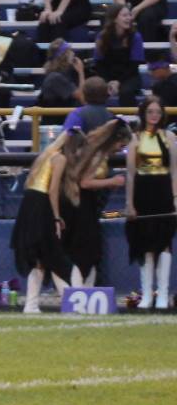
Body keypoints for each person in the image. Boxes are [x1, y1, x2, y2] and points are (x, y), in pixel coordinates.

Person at [11, 129, 81, 313]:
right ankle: (75, 301)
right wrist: (56, 218)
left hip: (29, 204)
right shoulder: (60, 159)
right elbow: (52, 191)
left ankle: (31, 304)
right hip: (41, 205)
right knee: (52, 254)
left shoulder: (46, 154)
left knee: (40, 256)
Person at [124, 93, 175, 310]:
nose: (154, 115)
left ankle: (162, 294)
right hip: (143, 192)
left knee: (164, 242)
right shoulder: (135, 138)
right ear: (144, 114)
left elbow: (174, 172)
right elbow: (130, 174)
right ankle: (146, 294)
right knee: (144, 243)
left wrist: (175, 198)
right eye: (150, 112)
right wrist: (129, 203)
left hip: (163, 191)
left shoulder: (170, 137)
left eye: (158, 112)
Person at [64, 119, 127, 288]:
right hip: (81, 205)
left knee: (90, 251)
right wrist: (111, 182)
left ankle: (86, 290)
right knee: (84, 250)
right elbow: (84, 182)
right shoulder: (97, 153)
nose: (121, 149)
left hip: (88, 204)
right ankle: (78, 291)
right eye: (121, 144)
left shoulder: (98, 151)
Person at [91, 4, 146, 102]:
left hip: (129, 76)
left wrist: (118, 82)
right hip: (107, 76)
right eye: (124, 15)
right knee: (97, 90)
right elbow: (99, 64)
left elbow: (134, 66)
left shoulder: (135, 37)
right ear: (114, 19)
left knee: (126, 92)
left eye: (129, 15)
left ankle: (129, 117)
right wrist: (109, 82)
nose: (129, 18)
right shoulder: (102, 37)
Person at [36, 40, 83, 112]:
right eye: (70, 51)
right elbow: (82, 97)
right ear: (64, 56)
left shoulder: (61, 74)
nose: (73, 53)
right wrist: (81, 72)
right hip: (57, 121)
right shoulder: (55, 77)